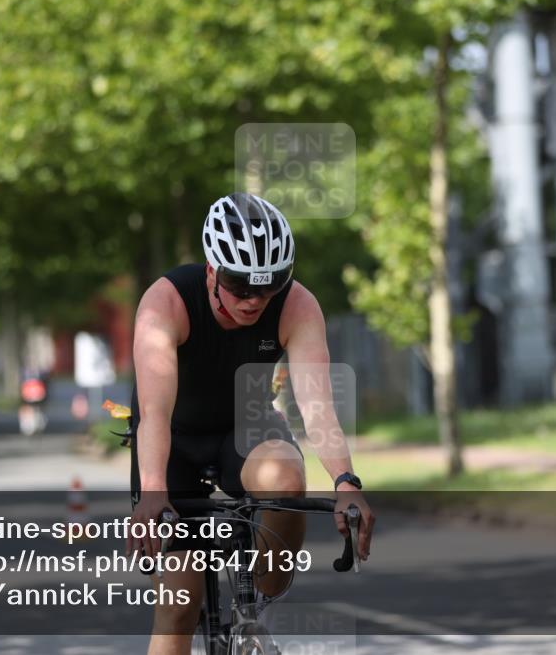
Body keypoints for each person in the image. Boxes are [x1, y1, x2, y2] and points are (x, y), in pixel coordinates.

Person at [127, 193, 375, 654]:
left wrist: (345, 481)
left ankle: (258, 606)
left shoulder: (297, 306)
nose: (254, 301)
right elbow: (155, 413)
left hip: (245, 427)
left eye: (269, 287)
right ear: (211, 272)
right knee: (179, 606)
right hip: (172, 440)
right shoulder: (165, 303)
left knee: (287, 477)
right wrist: (154, 491)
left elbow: (317, 406)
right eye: (240, 287)